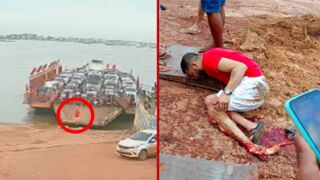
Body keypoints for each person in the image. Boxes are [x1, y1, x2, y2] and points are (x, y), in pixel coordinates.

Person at [180, 48, 272, 156]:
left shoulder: (208, 60)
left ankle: (249, 145)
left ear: (194, 65)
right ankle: (251, 126)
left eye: (190, 74)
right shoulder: (210, 57)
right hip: (257, 87)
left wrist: (226, 93)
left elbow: (240, 67)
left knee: (212, 104)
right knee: (217, 101)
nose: (193, 77)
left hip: (252, 87)